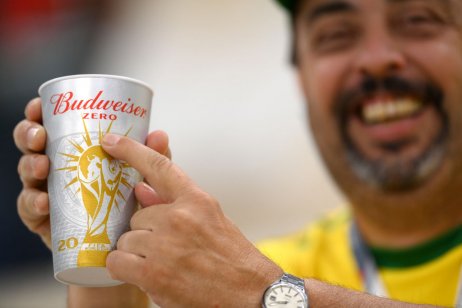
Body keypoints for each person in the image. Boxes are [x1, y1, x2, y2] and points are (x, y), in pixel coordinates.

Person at [13, 0, 462, 306]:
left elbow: (255, 287)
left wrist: (265, 294)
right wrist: (104, 268)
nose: (376, 59)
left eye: (417, 21)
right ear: (302, 79)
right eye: (336, 35)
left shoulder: (246, 277)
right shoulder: (262, 264)